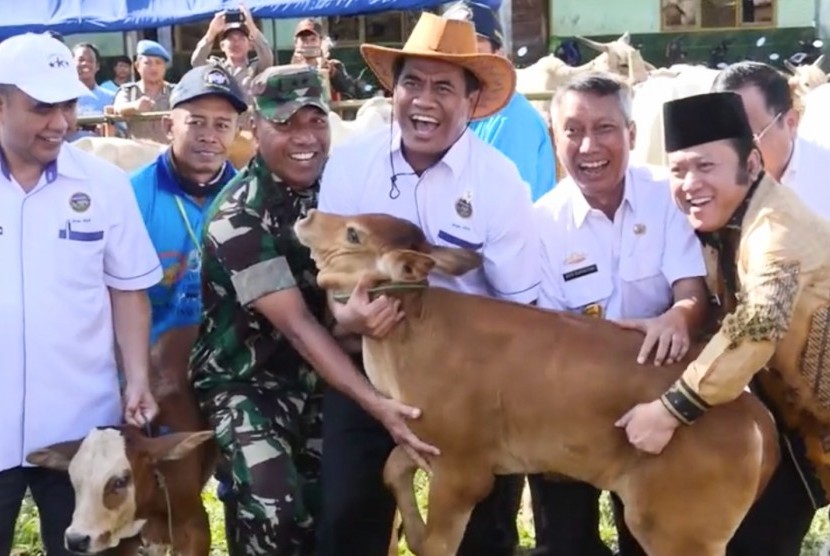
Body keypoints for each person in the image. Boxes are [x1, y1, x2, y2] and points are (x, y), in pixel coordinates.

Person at [316, 12, 540, 556]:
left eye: (444, 87)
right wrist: (345, 315)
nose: (424, 101)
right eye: (411, 82)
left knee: (483, 535)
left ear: (471, 100)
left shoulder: (498, 181)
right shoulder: (349, 164)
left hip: (474, 389)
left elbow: (520, 305)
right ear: (393, 89)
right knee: (347, 519)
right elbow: (331, 272)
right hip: (370, 374)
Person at [189, 64, 435, 555]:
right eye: (285, 124)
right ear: (254, 128)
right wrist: (377, 404)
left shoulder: (341, 192)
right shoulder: (238, 217)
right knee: (275, 510)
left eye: (315, 121)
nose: (305, 138)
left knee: (348, 510)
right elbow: (299, 328)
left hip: (328, 380)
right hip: (251, 383)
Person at [616, 91, 830, 555]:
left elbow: (757, 324)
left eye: (705, 167)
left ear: (751, 163)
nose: (690, 183)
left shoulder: (774, 231)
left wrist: (669, 410)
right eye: (678, 170)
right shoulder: (726, 225)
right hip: (799, 431)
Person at [531, 73, 709, 556]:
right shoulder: (538, 224)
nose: (588, 145)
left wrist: (679, 318)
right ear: (555, 137)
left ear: (631, 134)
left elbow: (691, 291)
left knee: (651, 536)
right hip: (571, 401)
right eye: (572, 130)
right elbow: (548, 333)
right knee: (566, 544)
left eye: (605, 128)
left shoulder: (667, 196)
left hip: (657, 397)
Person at [0, 32, 161, 554]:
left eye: (67, 104)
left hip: (79, 432)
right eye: (42, 106)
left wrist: (137, 378)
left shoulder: (104, 185)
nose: (61, 122)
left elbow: (128, 290)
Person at [443, 0, 556, 201]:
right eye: (451, 51)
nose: (461, 61)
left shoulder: (512, 122)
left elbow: (498, 209)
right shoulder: (456, 114)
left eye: (473, 51)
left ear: (499, 57)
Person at [711, 61, 830, 221]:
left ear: (790, 123)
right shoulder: (705, 187)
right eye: (723, 138)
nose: (733, 151)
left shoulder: (824, 176)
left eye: (749, 137)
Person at [191, 3, 274, 102]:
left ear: (250, 45)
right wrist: (211, 33)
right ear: (222, 46)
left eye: (241, 39)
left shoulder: (256, 68)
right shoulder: (216, 68)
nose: (236, 43)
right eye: (231, 39)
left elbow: (267, 57)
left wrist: (252, 27)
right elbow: (196, 62)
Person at [113, 40, 174, 143]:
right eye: (148, 63)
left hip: (167, 153)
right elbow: (118, 108)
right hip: (138, 154)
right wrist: (135, 106)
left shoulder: (175, 91)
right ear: (137, 66)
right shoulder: (129, 91)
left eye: (158, 63)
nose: (154, 68)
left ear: (164, 67)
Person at [290, 18, 361, 101]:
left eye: (313, 39)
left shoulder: (333, 66)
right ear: (295, 43)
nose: (308, 44)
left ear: (320, 41)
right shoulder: (285, 71)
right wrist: (294, 69)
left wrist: (331, 73)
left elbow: (351, 92)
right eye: (303, 39)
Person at [72, 43, 116, 116]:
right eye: (81, 60)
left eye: (90, 60)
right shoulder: (63, 99)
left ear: (97, 66)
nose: (85, 63)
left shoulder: (111, 98)